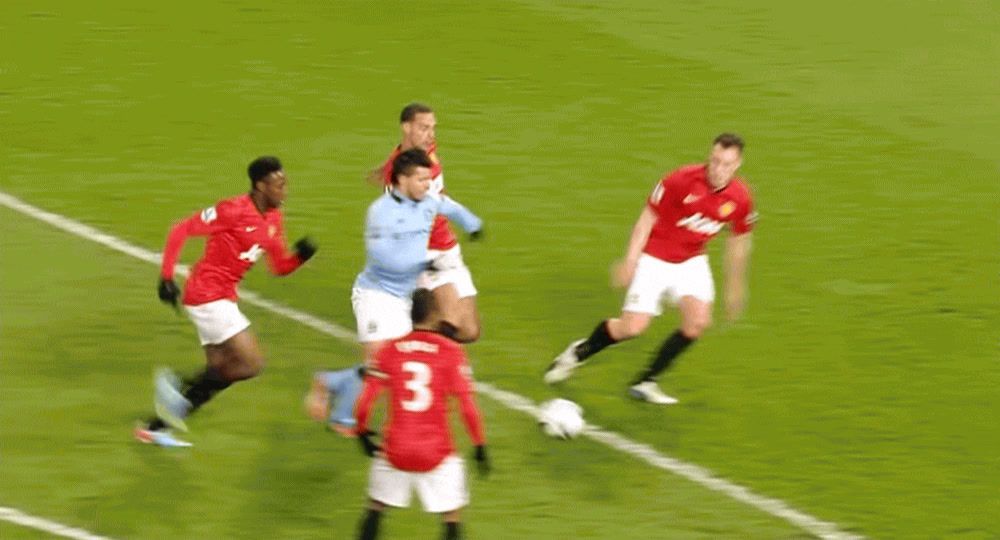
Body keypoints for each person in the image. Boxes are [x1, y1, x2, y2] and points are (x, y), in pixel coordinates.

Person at [544, 134, 756, 404]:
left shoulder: (740, 198)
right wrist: (630, 261)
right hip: (655, 257)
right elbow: (646, 219)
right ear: (709, 155)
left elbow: (739, 240)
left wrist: (735, 286)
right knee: (632, 328)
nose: (718, 169)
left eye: (726, 164)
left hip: (691, 260)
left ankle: (646, 381)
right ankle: (577, 353)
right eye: (715, 160)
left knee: (697, 324)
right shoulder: (681, 180)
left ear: (738, 164)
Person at [134, 156, 317, 447]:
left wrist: (300, 257)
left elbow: (278, 266)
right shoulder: (232, 210)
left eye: (285, 185)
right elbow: (180, 229)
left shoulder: (274, 218)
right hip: (207, 294)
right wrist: (166, 277)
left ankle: (155, 427)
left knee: (220, 370)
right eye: (278, 185)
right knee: (250, 363)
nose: (285, 191)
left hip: (224, 296)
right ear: (260, 186)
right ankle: (176, 389)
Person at [353, 288, 490, 540]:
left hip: (395, 449)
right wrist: (480, 445)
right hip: (436, 452)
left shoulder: (389, 351)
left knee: (375, 508)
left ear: (411, 315)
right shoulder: (451, 352)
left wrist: (361, 432)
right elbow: (467, 405)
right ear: (435, 314)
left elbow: (366, 401)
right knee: (451, 516)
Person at [353, 147, 482, 367]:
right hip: (381, 292)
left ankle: (437, 364)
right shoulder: (382, 212)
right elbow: (381, 255)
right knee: (380, 366)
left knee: (464, 330)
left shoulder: (427, 200)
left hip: (420, 275)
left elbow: (449, 206)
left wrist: (473, 225)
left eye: (428, 180)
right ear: (403, 181)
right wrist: (422, 263)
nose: (427, 185)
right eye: (421, 180)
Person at [372, 103, 483, 343]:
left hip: (448, 248)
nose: (431, 134)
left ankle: (407, 324)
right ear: (406, 127)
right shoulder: (398, 179)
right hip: (427, 253)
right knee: (448, 323)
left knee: (470, 331)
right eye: (424, 128)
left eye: (433, 128)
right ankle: (410, 353)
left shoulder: (426, 151)